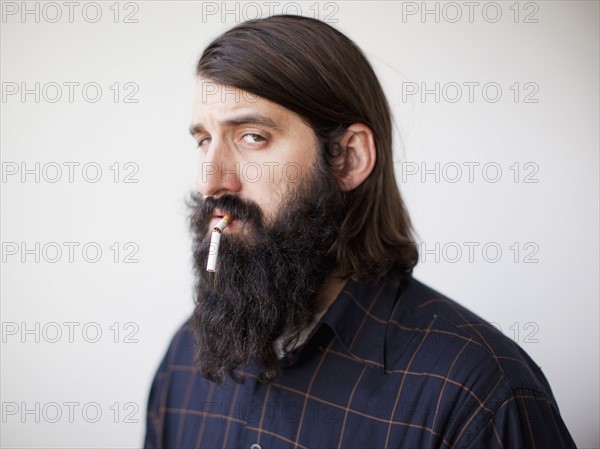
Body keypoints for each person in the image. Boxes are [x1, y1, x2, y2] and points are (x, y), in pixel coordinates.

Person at [144, 15, 576, 449]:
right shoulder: (186, 358)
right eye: (204, 140)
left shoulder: (477, 395)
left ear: (348, 158)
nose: (211, 180)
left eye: (252, 136)